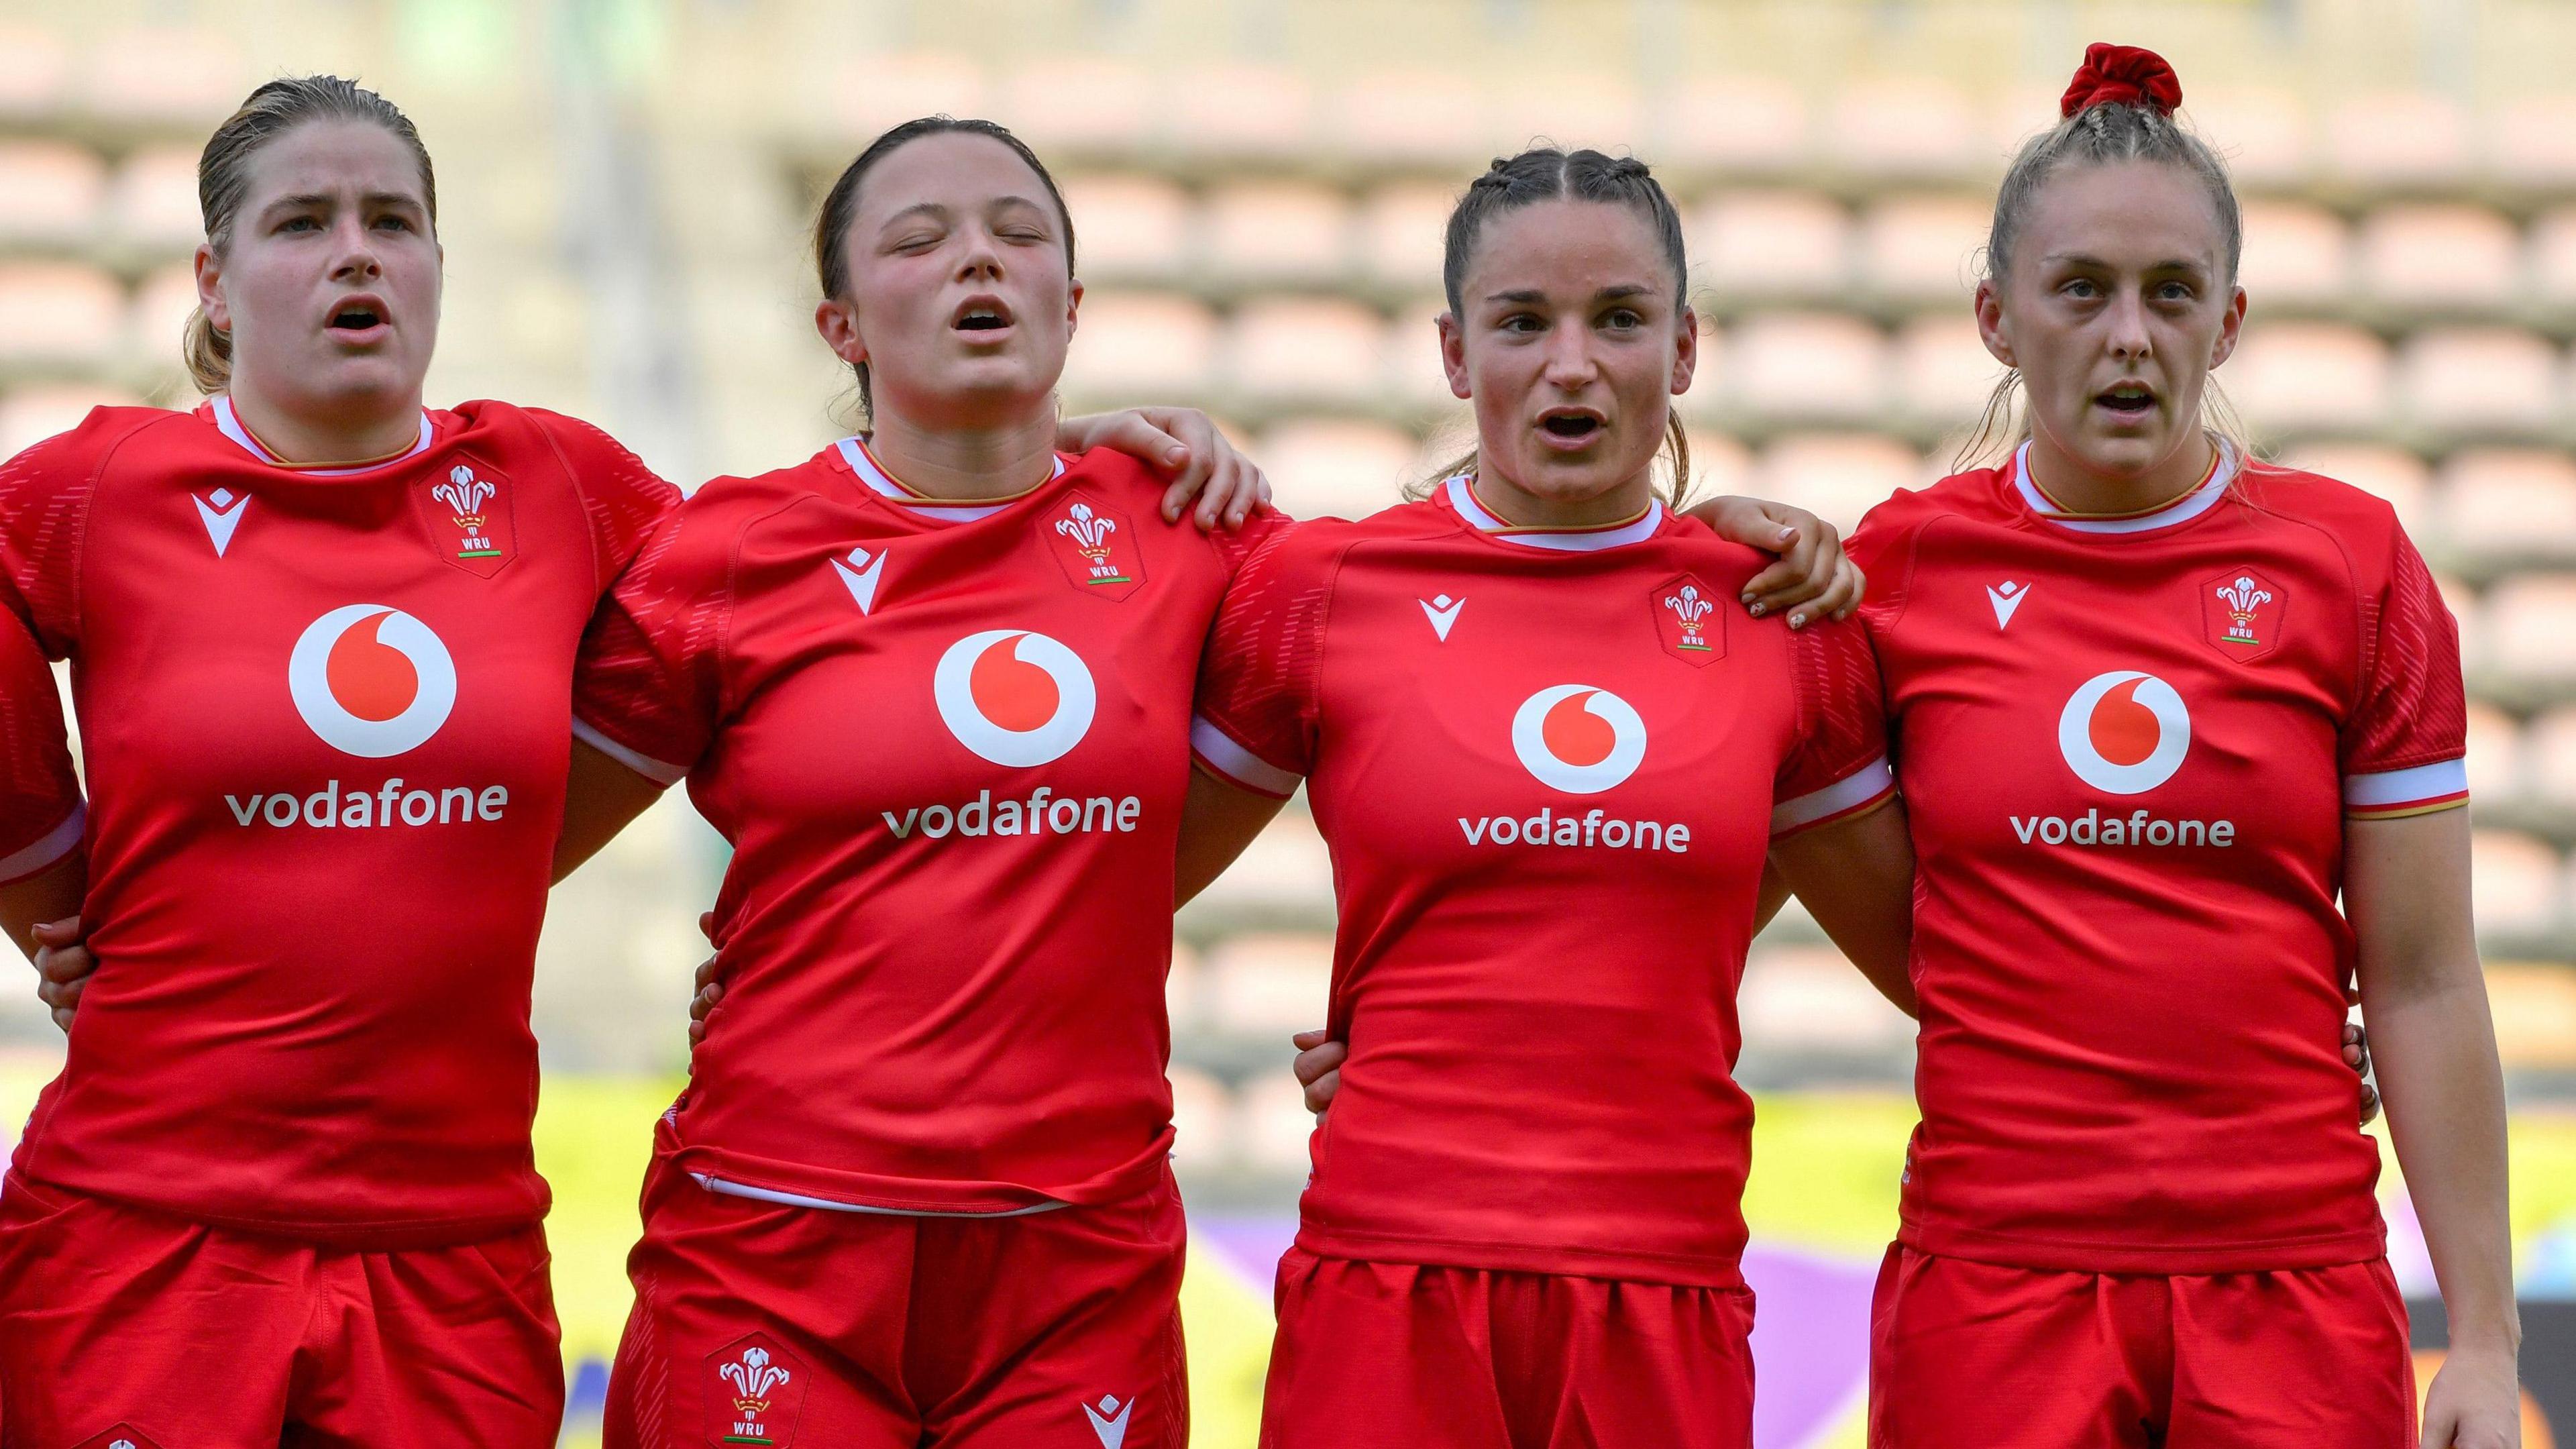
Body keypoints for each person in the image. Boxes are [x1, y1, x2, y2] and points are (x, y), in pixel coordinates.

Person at [559, 117, 1861, 1449]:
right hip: (776, 1232)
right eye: (920, 241)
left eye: (1017, 236)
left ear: (1076, 302)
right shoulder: (733, 549)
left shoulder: (1197, 534)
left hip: (1076, 1261)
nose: (976, 264)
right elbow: (498, 853)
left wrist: (1693, 545)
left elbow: (1518, 629)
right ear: (841, 323)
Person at [0, 80, 1264, 1448]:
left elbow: (842, 544)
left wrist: (1026, 449)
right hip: (147, 1225)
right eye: (304, 223)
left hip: (453, 1246)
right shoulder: (103, 489)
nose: (356, 251)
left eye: (394, 221)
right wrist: (49, 883)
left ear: (437, 264)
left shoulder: (554, 481)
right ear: (216, 279)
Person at [1180, 146, 1913, 1449]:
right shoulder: (1321, 592)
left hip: (1662, 1286)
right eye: (1524, 323)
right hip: (1388, 1275)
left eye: (1618, 321)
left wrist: (2261, 1026)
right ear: (1457, 356)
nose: (1572, 363)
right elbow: (1102, 870)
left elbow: (1935, 955)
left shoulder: (1780, 615)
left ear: (1683, 349)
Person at [1845, 46, 2515, 1449]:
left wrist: (2486, 1338)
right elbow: (1688, 845)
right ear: (1996, 315)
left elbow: (2429, 978)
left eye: (2171, 294)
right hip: (1996, 1279)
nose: (2129, 336)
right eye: (2080, 291)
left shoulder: (2352, 564)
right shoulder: (1896, 568)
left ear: (2232, 319)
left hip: (2292, 1278)